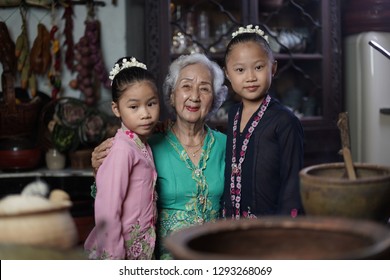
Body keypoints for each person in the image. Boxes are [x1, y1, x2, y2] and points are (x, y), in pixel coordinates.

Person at [91, 53, 228, 260]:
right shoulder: (147, 144)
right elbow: (110, 204)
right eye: (186, 86)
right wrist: (98, 169)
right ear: (172, 95)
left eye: (205, 88)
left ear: (215, 98)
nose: (195, 96)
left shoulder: (227, 145)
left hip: (215, 256)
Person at [221, 25, 305, 219]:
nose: (250, 77)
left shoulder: (285, 121)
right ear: (228, 74)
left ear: (273, 68)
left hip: (269, 228)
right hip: (233, 224)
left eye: (259, 67)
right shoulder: (233, 114)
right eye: (240, 70)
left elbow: (293, 184)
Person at [84, 57, 160, 260]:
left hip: (141, 246)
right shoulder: (121, 150)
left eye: (151, 104)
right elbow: (107, 209)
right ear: (116, 109)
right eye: (134, 107)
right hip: (120, 251)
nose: (145, 114)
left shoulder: (141, 144)